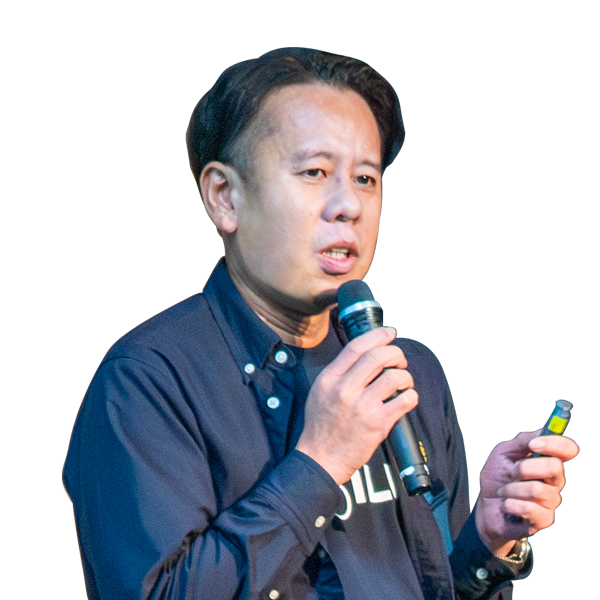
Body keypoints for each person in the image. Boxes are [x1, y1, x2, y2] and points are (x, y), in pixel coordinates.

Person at [63, 50, 579, 600]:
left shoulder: (405, 378)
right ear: (225, 197)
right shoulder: (146, 383)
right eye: (315, 172)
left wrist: (487, 543)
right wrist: (321, 461)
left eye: (365, 178)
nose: (348, 205)